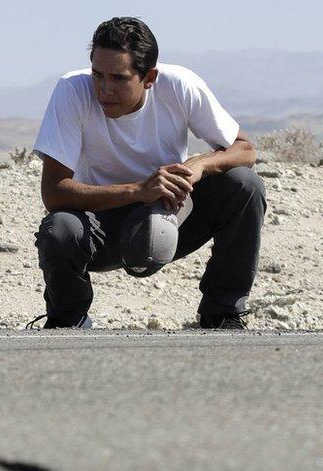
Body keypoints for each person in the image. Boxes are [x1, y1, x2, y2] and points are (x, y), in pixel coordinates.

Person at [31, 16, 265, 330]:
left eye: (119, 78)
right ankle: (68, 320)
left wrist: (200, 164)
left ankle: (223, 313)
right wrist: (139, 190)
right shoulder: (72, 91)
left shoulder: (180, 85)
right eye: (97, 74)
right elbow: (54, 193)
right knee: (59, 228)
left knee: (244, 184)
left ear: (149, 77)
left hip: (171, 215)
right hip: (101, 223)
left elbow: (246, 150)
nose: (104, 89)